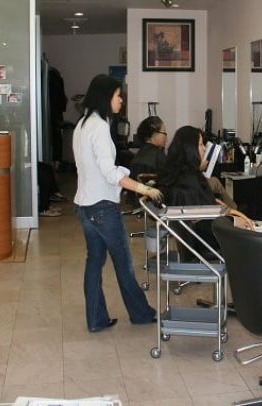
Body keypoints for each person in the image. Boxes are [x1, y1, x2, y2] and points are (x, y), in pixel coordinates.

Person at [73, 74, 161, 332]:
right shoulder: (99, 127)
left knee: (94, 261)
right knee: (124, 265)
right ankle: (141, 314)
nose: (121, 100)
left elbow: (94, 168)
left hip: (85, 205)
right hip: (102, 207)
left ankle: (96, 319)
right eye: (118, 95)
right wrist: (144, 188)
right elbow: (109, 173)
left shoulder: (82, 124)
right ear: (106, 96)